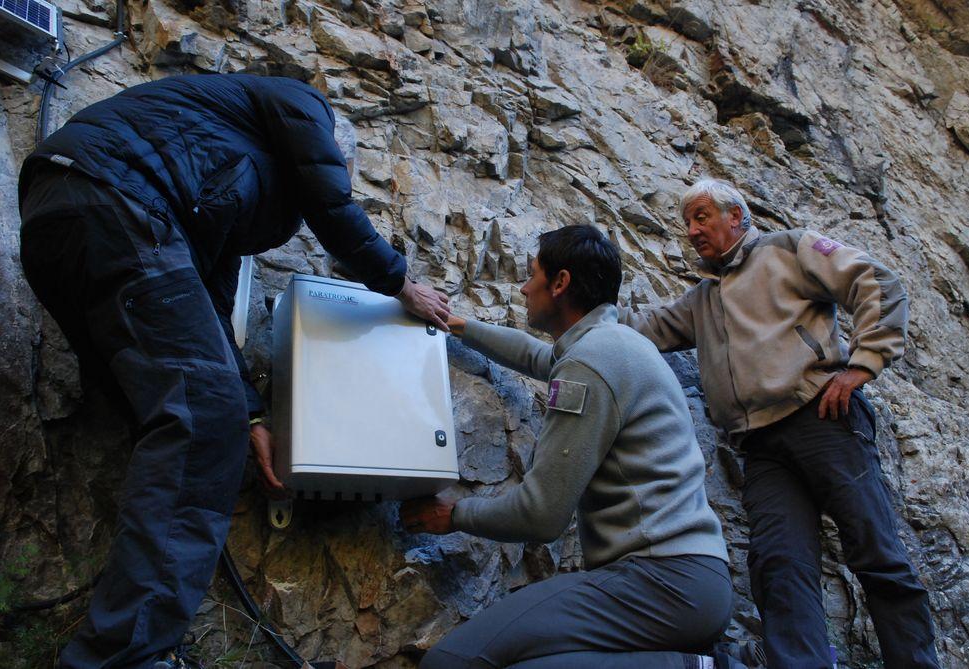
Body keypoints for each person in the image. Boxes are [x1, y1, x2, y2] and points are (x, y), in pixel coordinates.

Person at [18, 73, 449, 669]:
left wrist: (247, 412)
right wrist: (399, 282)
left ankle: (128, 639)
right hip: (118, 201)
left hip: (64, 217)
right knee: (199, 423)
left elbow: (208, 306)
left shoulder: (225, 172)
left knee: (179, 415)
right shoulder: (305, 105)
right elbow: (332, 201)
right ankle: (126, 656)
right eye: (338, 167)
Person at [620, 178, 939, 668]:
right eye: (687, 222)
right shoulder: (703, 299)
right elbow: (642, 330)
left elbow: (876, 281)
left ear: (737, 216)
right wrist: (575, 317)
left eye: (702, 216)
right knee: (778, 567)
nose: (692, 230)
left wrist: (861, 364)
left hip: (824, 417)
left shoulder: (789, 249)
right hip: (761, 447)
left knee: (875, 553)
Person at [401, 225, 744, 669]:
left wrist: (454, 516)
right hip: (693, 582)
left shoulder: (590, 361)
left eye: (532, 275)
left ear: (559, 283)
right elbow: (538, 358)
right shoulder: (616, 344)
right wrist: (459, 325)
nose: (524, 288)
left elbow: (541, 515)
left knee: (452, 661)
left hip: (659, 581)